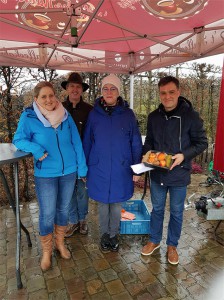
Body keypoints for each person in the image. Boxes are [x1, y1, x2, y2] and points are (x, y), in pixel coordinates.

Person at [13, 81, 87, 271]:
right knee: (47, 214)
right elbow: (19, 139)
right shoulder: (28, 117)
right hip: (45, 174)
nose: (49, 100)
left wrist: (82, 168)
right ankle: (46, 252)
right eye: (44, 96)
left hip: (69, 171)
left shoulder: (65, 115)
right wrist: (36, 149)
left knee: (63, 210)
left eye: (51, 95)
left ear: (56, 96)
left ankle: (59, 243)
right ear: (36, 99)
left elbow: (76, 142)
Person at [141, 76, 208, 264]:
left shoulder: (191, 116)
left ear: (178, 92)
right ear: (159, 94)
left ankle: (172, 245)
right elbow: (149, 142)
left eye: (171, 92)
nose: (167, 96)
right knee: (157, 209)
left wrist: (183, 155)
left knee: (177, 212)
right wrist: (145, 155)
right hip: (157, 173)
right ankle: (154, 240)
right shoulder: (153, 116)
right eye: (163, 93)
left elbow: (202, 142)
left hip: (179, 173)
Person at [83, 74, 142, 252]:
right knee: (102, 203)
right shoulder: (94, 115)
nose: (109, 92)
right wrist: (84, 168)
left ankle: (113, 234)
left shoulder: (128, 115)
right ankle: (104, 235)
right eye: (105, 88)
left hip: (121, 167)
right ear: (101, 92)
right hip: (98, 166)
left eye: (113, 88)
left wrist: (136, 169)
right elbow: (87, 142)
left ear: (118, 92)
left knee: (116, 203)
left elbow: (136, 142)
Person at [61, 73, 93, 237]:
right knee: (69, 192)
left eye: (78, 86)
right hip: (65, 161)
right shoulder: (58, 108)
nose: (75, 89)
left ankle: (83, 220)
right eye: (72, 86)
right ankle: (73, 221)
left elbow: (94, 136)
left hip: (83, 160)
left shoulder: (89, 110)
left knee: (82, 191)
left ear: (82, 90)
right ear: (67, 88)